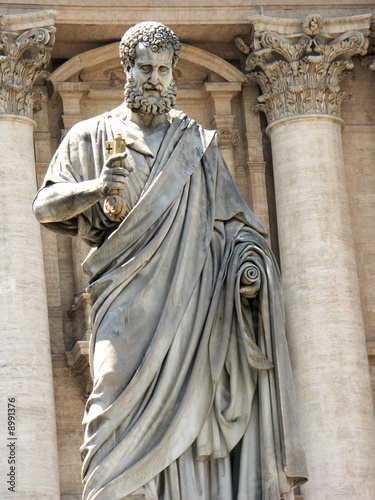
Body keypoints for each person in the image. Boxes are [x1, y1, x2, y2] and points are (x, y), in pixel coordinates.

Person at [33, 21, 307, 500]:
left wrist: (249, 268)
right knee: (110, 394)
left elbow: (236, 225)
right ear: (128, 70)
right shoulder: (89, 135)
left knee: (193, 411)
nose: (156, 77)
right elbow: (45, 207)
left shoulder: (195, 145)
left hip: (193, 305)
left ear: (173, 72)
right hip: (124, 297)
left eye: (164, 69)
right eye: (146, 68)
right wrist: (97, 187)